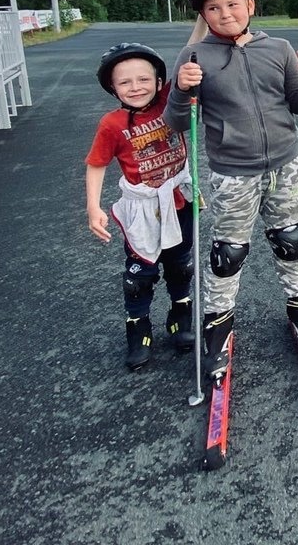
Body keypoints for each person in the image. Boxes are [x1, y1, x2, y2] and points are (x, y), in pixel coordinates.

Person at [164, 0, 298, 377]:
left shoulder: (280, 48)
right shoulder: (195, 56)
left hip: (286, 165)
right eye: (213, 8)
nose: (225, 13)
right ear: (203, 14)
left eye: (233, 4)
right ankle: (218, 326)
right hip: (233, 174)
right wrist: (182, 88)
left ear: (250, 5)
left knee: (292, 241)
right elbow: (178, 122)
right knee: (228, 254)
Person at [85, 42, 195, 371]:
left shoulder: (168, 101)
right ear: (112, 87)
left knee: (180, 264)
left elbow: (189, 48)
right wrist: (93, 207)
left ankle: (180, 316)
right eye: (125, 82)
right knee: (140, 275)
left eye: (143, 79)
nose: (135, 87)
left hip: (179, 200)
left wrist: (203, 11)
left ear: (160, 81)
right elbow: (96, 164)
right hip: (143, 208)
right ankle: (138, 327)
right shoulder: (111, 123)